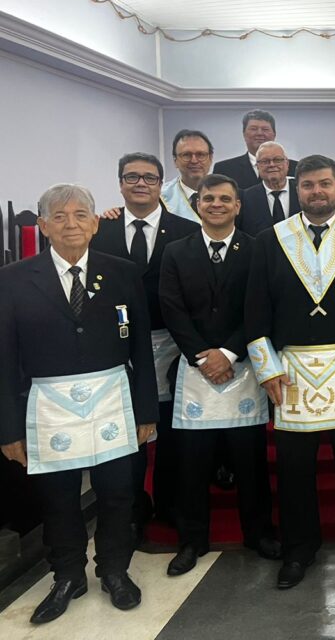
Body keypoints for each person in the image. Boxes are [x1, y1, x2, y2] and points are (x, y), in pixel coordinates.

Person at [0, 184, 158, 623]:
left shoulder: (122, 272)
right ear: (43, 225)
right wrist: (8, 428)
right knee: (59, 498)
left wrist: (146, 411)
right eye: (60, 216)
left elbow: (140, 348)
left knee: (117, 493)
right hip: (47, 408)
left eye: (81, 214)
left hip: (113, 404)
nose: (71, 224)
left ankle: (114, 570)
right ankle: (67, 575)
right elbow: (4, 359)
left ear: (94, 224)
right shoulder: (12, 279)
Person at [245, 155, 335, 589]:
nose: (317, 192)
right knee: (294, 471)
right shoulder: (270, 241)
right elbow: (255, 311)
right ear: (298, 191)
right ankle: (298, 550)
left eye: (325, 184)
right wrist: (267, 370)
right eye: (308, 185)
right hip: (290, 373)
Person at [159, 174, 278, 576]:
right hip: (194, 370)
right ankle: (192, 540)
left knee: (250, 462)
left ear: (238, 206)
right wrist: (202, 356)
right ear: (198, 204)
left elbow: (261, 306)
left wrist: (228, 352)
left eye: (225, 198)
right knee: (192, 464)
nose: (216, 205)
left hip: (242, 367)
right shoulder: (176, 251)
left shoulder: (256, 248)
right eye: (209, 198)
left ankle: (259, 533)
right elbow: (172, 308)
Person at [91, 153, 199, 535]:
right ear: (120, 183)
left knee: (170, 430)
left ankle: (169, 503)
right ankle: (134, 508)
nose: (140, 183)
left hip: (170, 341)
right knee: (125, 430)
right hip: (115, 347)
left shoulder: (186, 229)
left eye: (149, 178)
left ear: (160, 184)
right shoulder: (99, 229)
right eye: (132, 177)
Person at [213, 109, 298, 188]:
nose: (259, 133)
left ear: (274, 134)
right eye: (253, 129)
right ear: (244, 134)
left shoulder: (295, 168)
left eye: (265, 129)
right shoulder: (224, 169)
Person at [239, 141, 300, 235]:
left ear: (287, 163)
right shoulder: (246, 198)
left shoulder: (302, 191)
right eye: (265, 161)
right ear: (257, 166)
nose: (271, 164)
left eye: (277, 160)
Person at [161, 129, 214, 223]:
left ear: (210, 158)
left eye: (200, 154)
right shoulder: (160, 197)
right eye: (186, 155)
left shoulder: (229, 194)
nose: (194, 161)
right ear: (175, 161)